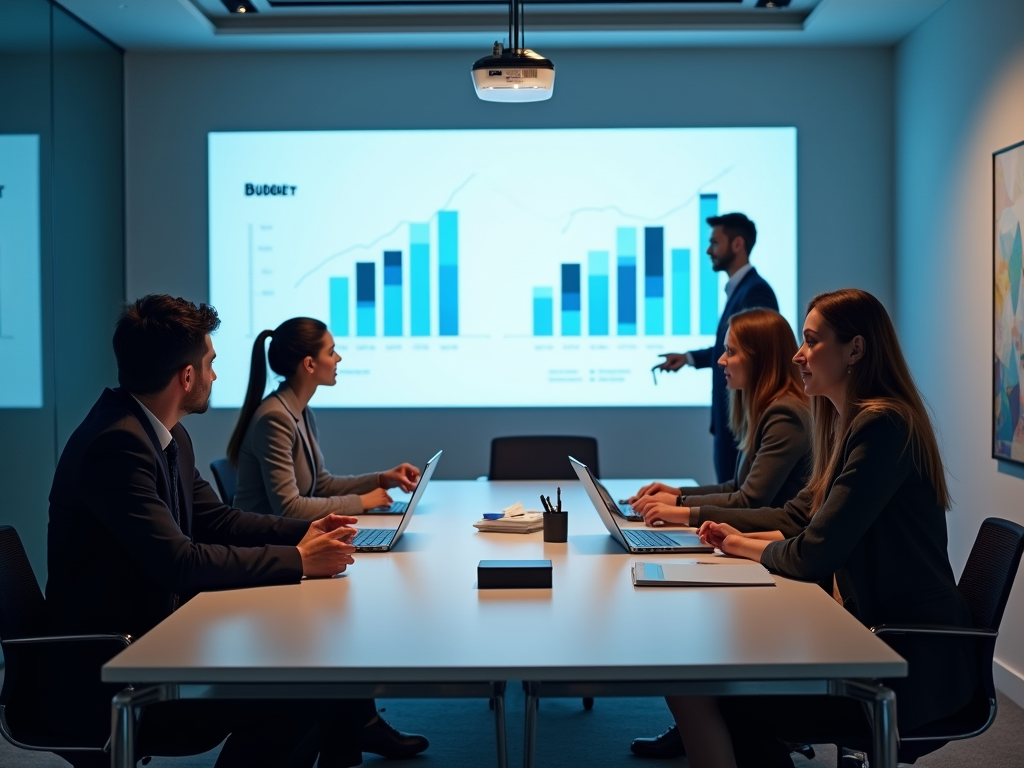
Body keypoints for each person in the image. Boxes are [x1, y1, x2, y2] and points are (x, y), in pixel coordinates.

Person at [46, 295, 427, 768]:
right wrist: (301, 560)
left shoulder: (164, 433)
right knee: (303, 691)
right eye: (209, 364)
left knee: (315, 673)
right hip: (112, 666)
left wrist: (307, 530)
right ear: (186, 377)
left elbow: (217, 520)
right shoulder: (118, 443)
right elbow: (178, 562)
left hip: (160, 636)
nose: (214, 376)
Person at [640, 289, 980, 768]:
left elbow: (814, 552)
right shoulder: (850, 423)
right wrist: (732, 539)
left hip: (909, 660)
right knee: (712, 686)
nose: (798, 354)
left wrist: (738, 543)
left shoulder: (882, 427)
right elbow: (801, 518)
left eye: (811, 340)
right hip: (873, 637)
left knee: (714, 695)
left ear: (855, 350)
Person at [629, 308, 810, 530]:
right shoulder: (768, 408)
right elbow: (736, 487)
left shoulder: (785, 415)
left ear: (759, 358)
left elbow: (749, 501)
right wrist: (677, 493)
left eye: (730, 352)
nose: (721, 360)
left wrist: (679, 506)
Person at [229, 317, 421, 520]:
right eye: (331, 352)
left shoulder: (300, 411)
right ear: (310, 364)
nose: (338, 358)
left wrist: (382, 479)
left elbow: (320, 485)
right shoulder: (275, 418)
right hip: (261, 543)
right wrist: (362, 502)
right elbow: (289, 509)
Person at [653, 213, 778, 483]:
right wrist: (688, 358)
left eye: (714, 243)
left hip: (743, 422)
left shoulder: (756, 292)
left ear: (737, 244)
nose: (709, 250)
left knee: (738, 504)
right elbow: (735, 348)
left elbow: (758, 352)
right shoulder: (741, 289)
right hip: (732, 421)